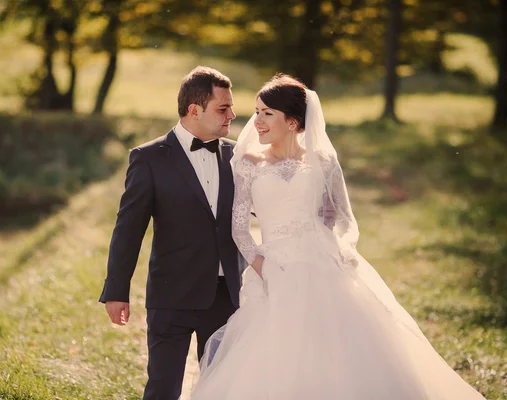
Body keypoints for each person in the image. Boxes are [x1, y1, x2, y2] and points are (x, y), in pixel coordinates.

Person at [189, 74, 487, 399]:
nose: (256, 121)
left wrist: (341, 250)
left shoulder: (324, 161)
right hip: (275, 270)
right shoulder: (247, 164)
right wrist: (264, 267)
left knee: (341, 348)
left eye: (266, 113)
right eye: (257, 111)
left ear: (292, 121)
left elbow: (342, 218)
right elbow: (239, 229)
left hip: (323, 265)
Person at [99, 66, 241, 400]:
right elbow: (128, 228)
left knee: (222, 389)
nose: (232, 115)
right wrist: (116, 290)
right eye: (223, 108)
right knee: (163, 388)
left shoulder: (238, 156)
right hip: (170, 295)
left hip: (226, 297)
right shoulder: (148, 158)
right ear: (195, 110)